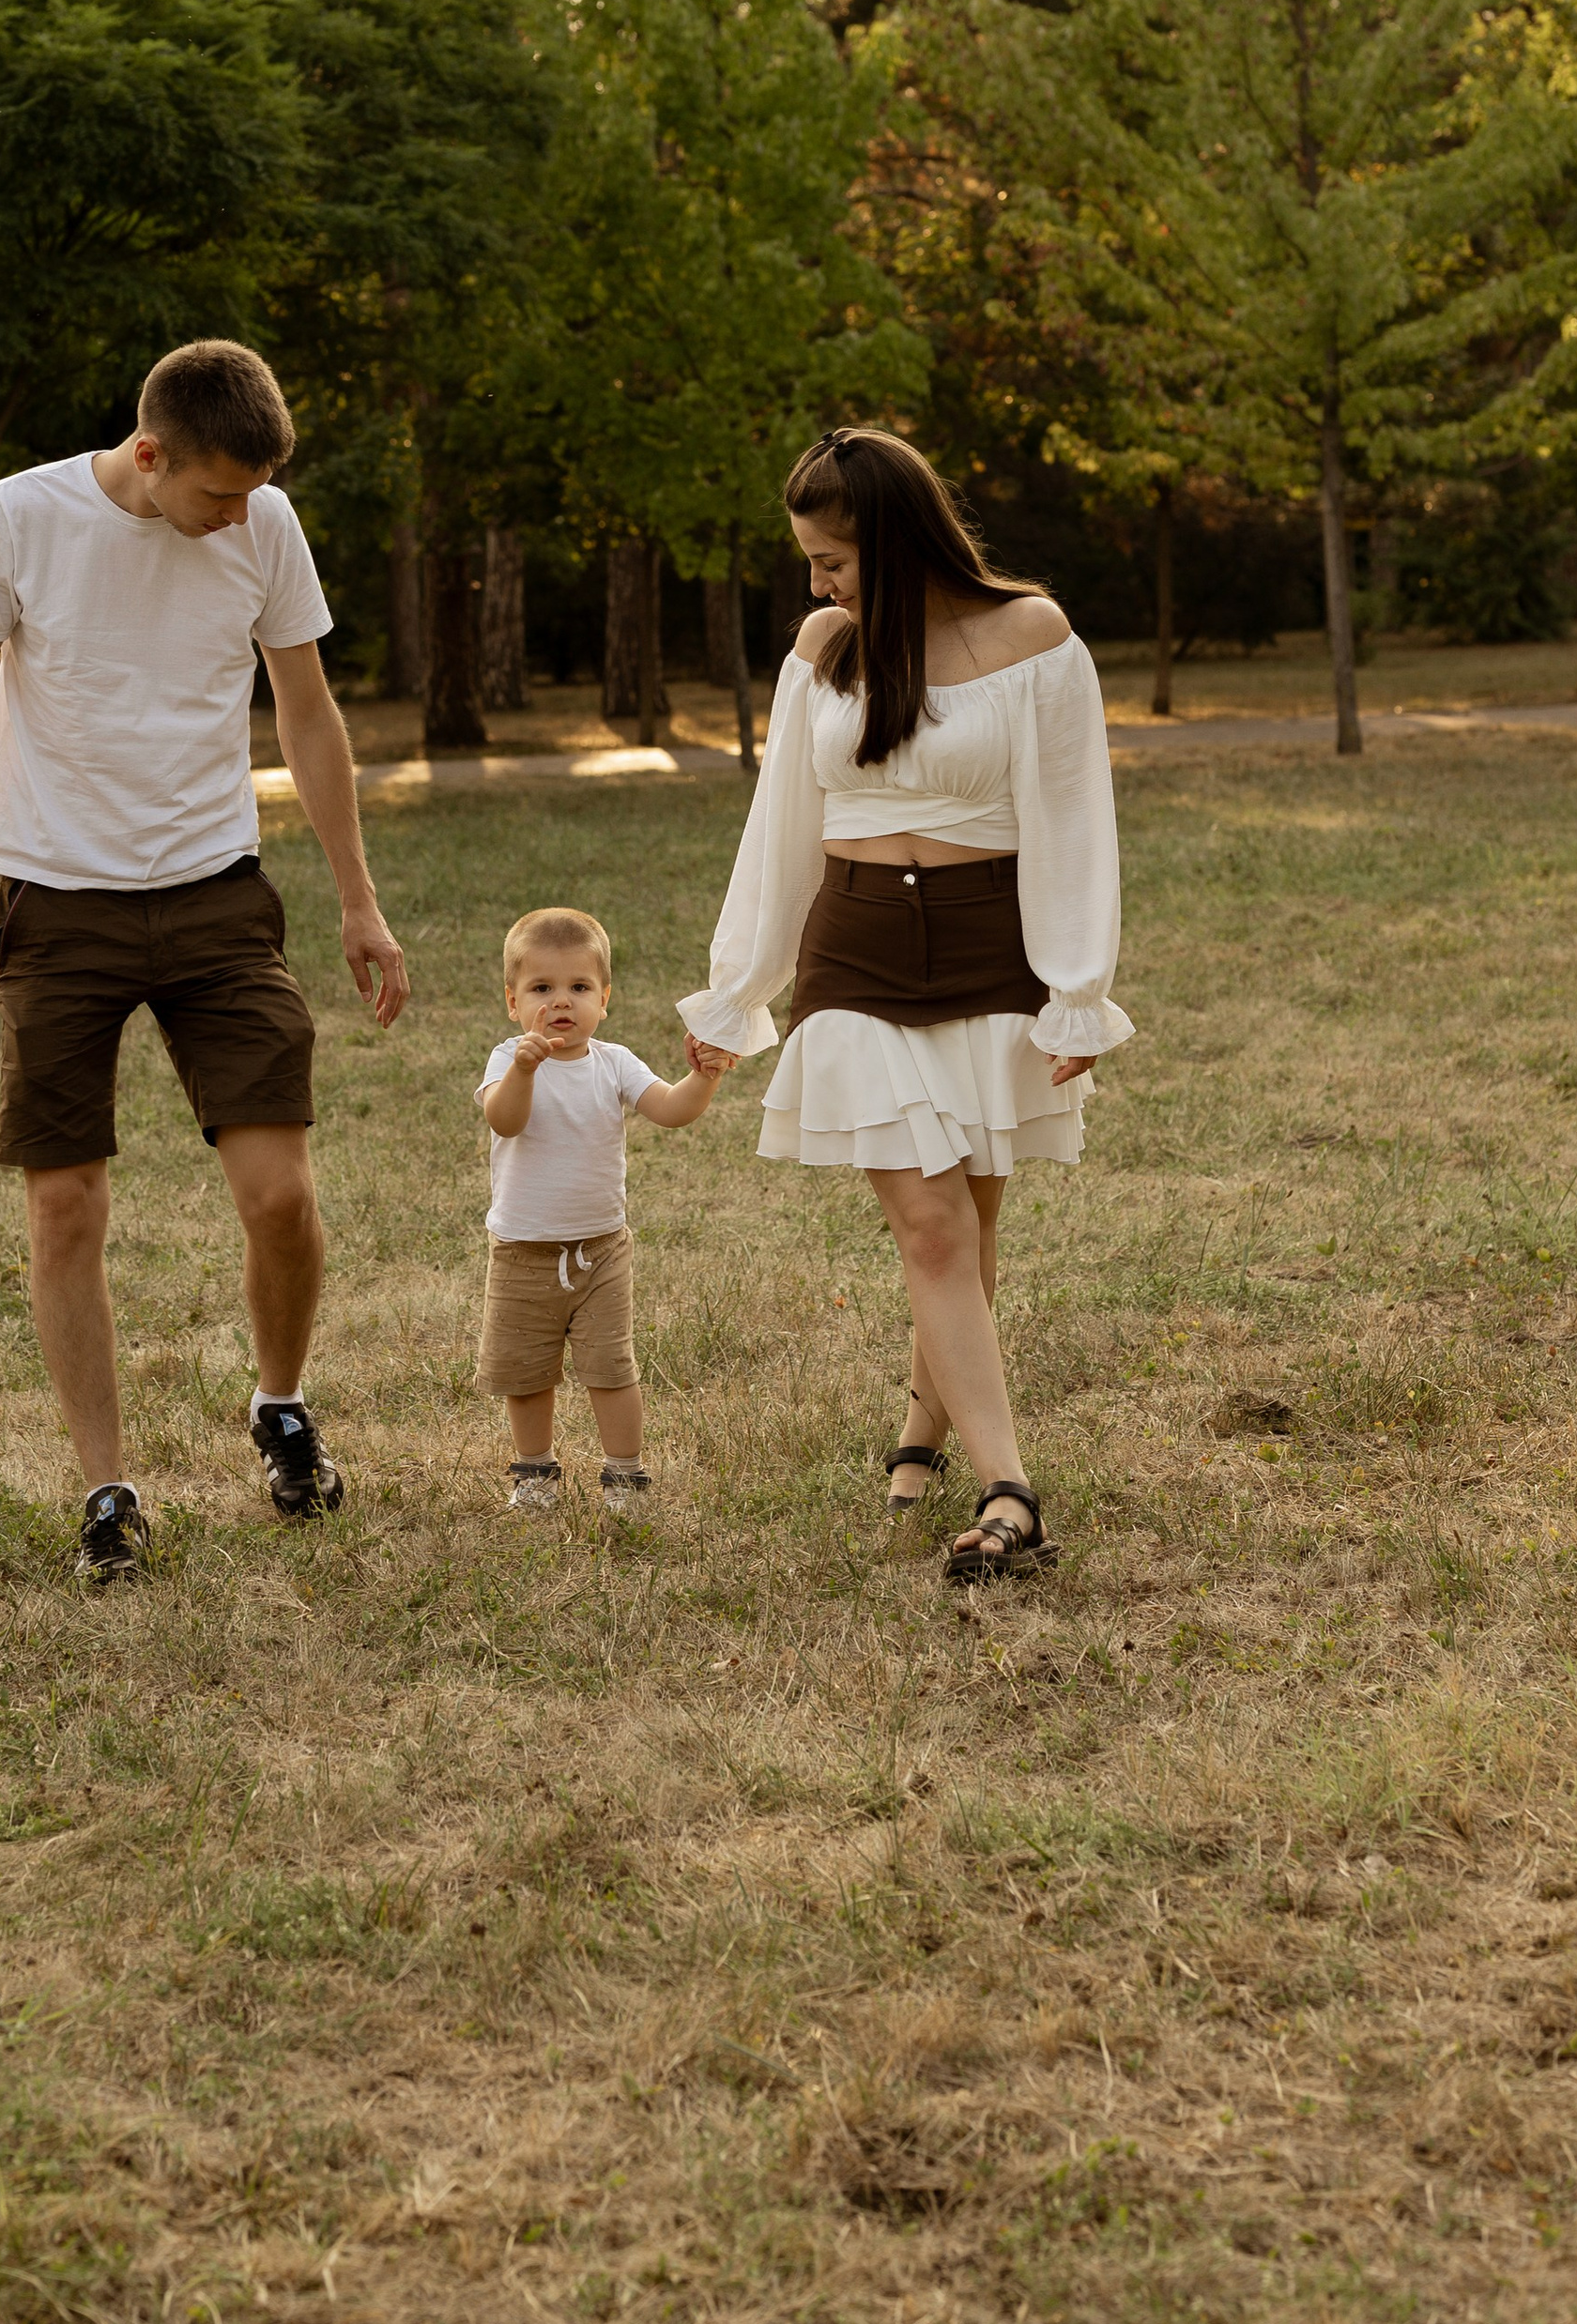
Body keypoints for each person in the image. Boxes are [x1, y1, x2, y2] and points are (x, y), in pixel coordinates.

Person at [0, 339, 408, 1584]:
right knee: (66, 1203)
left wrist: (358, 900)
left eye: (251, 497)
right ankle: (108, 1490)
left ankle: (279, 1406)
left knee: (279, 1192)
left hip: (219, 895)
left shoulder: (264, 524)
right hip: (56, 903)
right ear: (149, 453)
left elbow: (309, 712)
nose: (237, 518)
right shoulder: (19, 518)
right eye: (217, 495)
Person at [678, 429, 1133, 1588]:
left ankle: (923, 1425)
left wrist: (1075, 993)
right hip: (857, 956)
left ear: (892, 536)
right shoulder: (825, 648)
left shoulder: (1032, 635)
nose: (817, 584)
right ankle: (1009, 1488)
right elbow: (781, 826)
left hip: (989, 952)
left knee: (971, 1235)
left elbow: (1075, 818)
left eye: (832, 559)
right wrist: (738, 991)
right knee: (930, 1227)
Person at [476, 908, 727, 1517]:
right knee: (527, 1373)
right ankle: (535, 1472)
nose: (560, 1002)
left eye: (579, 987)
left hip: (602, 1251)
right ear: (514, 1001)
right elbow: (503, 1119)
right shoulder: (508, 1059)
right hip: (523, 1251)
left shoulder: (613, 1062)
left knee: (611, 1368)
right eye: (542, 988)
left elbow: (669, 1109)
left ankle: (624, 1475)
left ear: (604, 999)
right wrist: (526, 1070)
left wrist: (704, 1078)